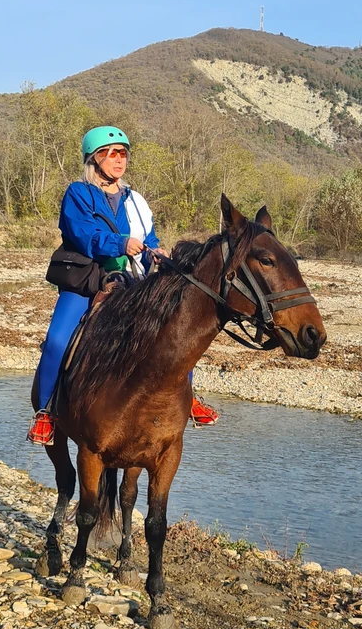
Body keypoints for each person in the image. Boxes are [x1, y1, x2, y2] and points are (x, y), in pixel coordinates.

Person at [29, 125, 219, 443]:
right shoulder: (78, 193)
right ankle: (46, 412)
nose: (119, 159)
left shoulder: (137, 201)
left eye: (123, 153)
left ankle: (189, 398)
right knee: (57, 341)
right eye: (111, 153)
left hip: (132, 283)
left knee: (175, 332)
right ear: (94, 158)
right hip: (87, 282)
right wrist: (120, 243)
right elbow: (84, 234)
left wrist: (155, 253)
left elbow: (149, 238)